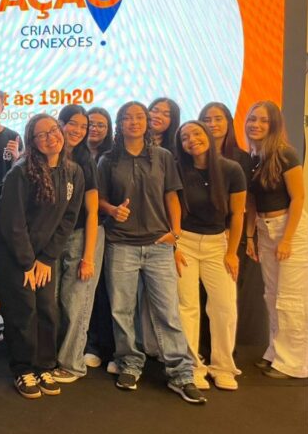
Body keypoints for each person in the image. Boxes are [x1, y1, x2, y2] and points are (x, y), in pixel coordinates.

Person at [96, 102, 205, 404]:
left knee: (168, 311)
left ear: (147, 122)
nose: (134, 122)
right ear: (119, 124)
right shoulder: (108, 160)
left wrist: (176, 234)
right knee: (122, 310)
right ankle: (130, 364)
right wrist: (111, 209)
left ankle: (181, 374)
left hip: (159, 245)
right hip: (121, 245)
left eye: (139, 117)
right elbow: (100, 199)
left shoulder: (163, 157)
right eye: (127, 118)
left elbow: (172, 195)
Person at [0, 114, 84, 399]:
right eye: (41, 135)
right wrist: (28, 262)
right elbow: (12, 223)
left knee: (47, 309)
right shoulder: (21, 172)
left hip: (44, 257)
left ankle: (44, 364)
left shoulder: (73, 172)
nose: (50, 137)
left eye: (53, 131)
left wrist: (46, 259)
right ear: (31, 141)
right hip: (14, 255)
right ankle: (23, 369)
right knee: (23, 312)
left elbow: (68, 220)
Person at [175, 121, 247, 390]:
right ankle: (193, 366)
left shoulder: (231, 169)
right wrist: (174, 245)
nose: (192, 140)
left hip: (219, 244)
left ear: (208, 136)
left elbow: (237, 214)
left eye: (196, 133)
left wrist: (232, 253)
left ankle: (223, 367)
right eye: (185, 137)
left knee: (224, 307)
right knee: (187, 307)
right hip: (185, 242)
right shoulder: (178, 170)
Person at [244, 101, 308, 379]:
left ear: (274, 125)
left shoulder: (286, 154)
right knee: (272, 296)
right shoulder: (255, 156)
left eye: (262, 121)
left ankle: (295, 364)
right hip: (264, 228)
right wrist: (250, 236)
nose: (255, 125)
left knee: (292, 298)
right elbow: (252, 202)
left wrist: (287, 239)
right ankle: (276, 353)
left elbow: (298, 198)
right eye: (252, 119)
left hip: (289, 229)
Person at [51, 106, 100, 383]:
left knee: (76, 301)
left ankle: (72, 364)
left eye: (84, 126)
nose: (78, 131)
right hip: (54, 236)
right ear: (60, 123)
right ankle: (55, 356)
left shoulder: (85, 160)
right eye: (73, 124)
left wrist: (88, 257)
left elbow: (92, 211)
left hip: (82, 234)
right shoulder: (49, 155)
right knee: (56, 299)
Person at [84, 106, 114, 368]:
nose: (94, 128)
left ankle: (100, 344)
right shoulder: (72, 154)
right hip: (74, 231)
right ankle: (84, 343)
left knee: (103, 290)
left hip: (106, 231)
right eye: (90, 123)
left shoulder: (113, 157)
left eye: (100, 124)